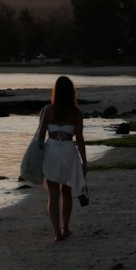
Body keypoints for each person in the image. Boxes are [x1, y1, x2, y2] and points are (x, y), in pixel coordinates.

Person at [35, 75, 87, 242]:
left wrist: (37, 157)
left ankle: (57, 233)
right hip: (68, 152)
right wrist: (84, 161)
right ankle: (65, 228)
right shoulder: (76, 113)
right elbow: (79, 138)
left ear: (55, 91)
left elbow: (40, 137)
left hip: (51, 151)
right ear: (72, 92)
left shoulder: (47, 111)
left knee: (53, 194)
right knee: (67, 192)